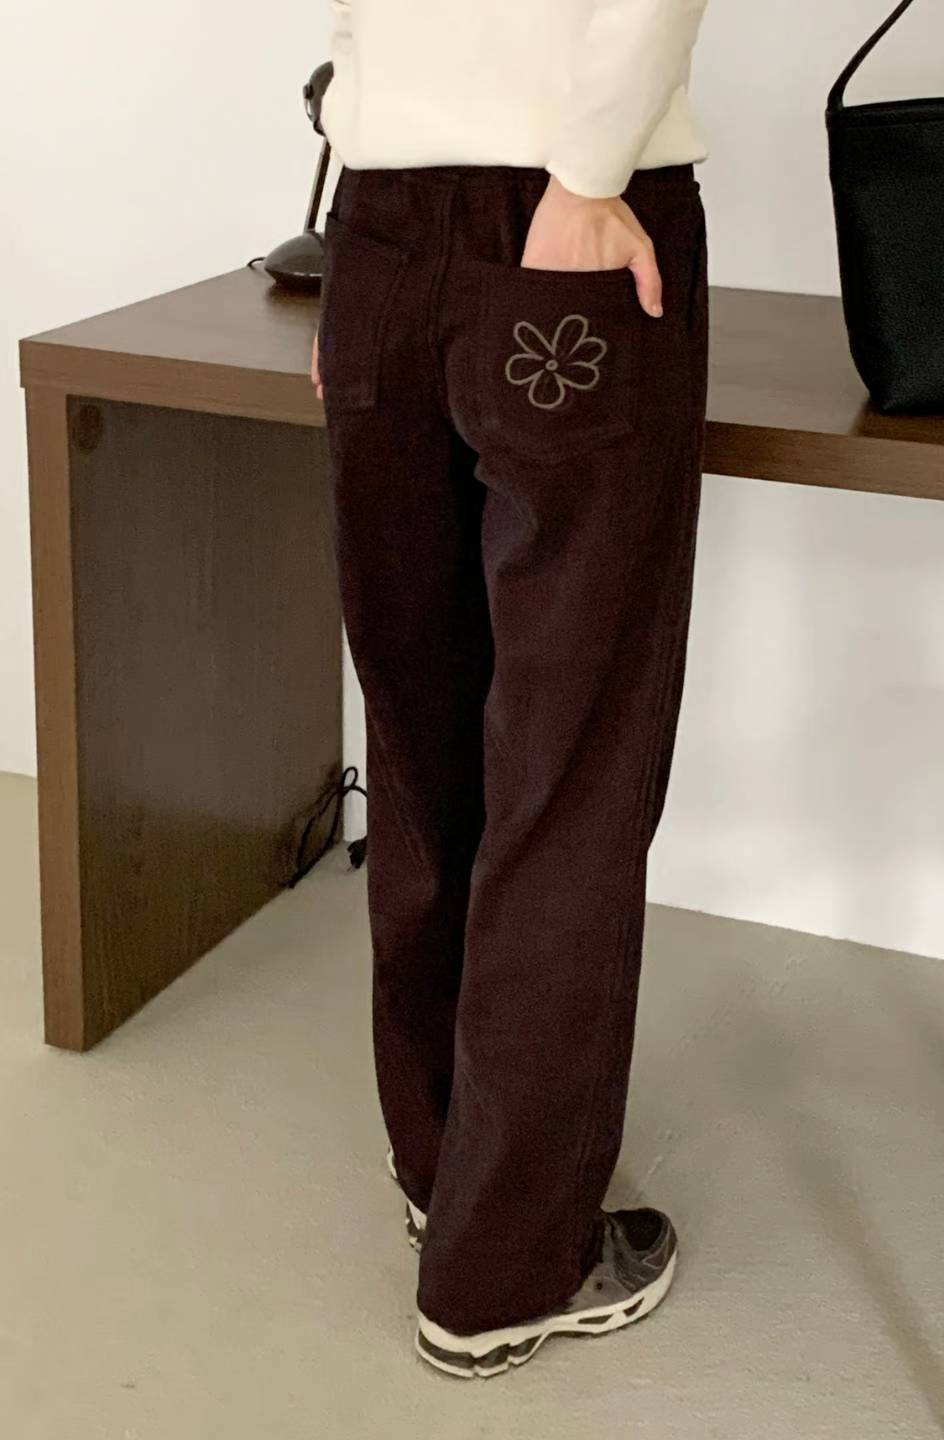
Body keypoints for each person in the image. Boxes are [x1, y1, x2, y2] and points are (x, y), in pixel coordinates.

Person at [314, 0, 712, 1378]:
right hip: (563, 212)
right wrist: (590, 177)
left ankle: (445, 1172)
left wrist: (368, 217)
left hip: (377, 225)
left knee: (422, 735)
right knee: (569, 762)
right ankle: (506, 1267)